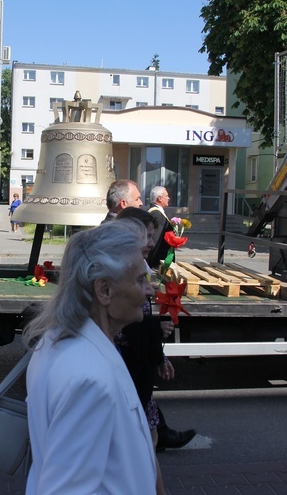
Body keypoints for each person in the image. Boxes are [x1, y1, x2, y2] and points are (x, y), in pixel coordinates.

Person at [23, 219, 157, 494]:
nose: (150, 290)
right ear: (105, 290)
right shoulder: (89, 377)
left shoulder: (58, 341)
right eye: (140, 279)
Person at [100, 179, 194, 451]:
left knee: (144, 420)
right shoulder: (114, 250)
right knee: (135, 428)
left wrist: (156, 351)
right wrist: (154, 331)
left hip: (133, 353)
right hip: (125, 354)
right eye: (138, 198)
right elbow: (120, 320)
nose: (143, 202)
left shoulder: (125, 250)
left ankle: (155, 442)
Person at [116, 207, 189, 495]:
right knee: (145, 441)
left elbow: (140, 318)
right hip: (129, 370)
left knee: (150, 438)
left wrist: (158, 353)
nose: (150, 242)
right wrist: (154, 331)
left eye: (152, 235)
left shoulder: (138, 265)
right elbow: (121, 326)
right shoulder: (121, 269)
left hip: (138, 369)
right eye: (146, 236)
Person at [146, 186, 174, 269]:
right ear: (160, 198)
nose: (168, 198)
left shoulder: (156, 212)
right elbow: (155, 240)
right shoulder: (156, 214)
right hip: (158, 262)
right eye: (166, 196)